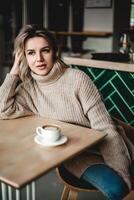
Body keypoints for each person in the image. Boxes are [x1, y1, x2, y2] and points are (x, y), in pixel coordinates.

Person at [0, 24, 133, 200]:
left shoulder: (77, 79)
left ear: (54, 51)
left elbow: (106, 128)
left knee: (124, 183)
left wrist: (120, 168)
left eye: (45, 50)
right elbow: (4, 109)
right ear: (23, 57)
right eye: (30, 53)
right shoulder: (28, 89)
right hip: (77, 157)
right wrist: (14, 73)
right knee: (117, 189)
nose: (38, 58)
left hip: (109, 146)